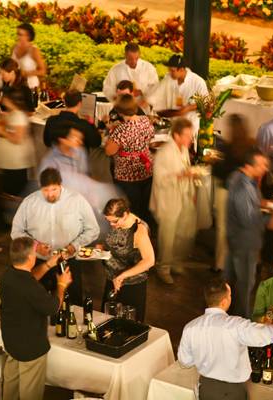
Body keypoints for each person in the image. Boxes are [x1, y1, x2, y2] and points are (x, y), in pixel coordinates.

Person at [178, 278, 273, 400]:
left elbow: (185, 361)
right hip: (233, 392)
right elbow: (271, 333)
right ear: (224, 302)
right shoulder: (236, 325)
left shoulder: (190, 327)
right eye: (230, 295)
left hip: (206, 388)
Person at [11, 168, 100, 305]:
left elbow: (93, 229)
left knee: (72, 303)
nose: (50, 194)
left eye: (54, 189)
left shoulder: (77, 200)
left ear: (60, 185)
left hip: (68, 261)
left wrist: (75, 245)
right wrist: (36, 246)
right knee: (38, 302)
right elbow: (16, 232)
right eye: (46, 190)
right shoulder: (29, 202)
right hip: (39, 262)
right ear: (40, 186)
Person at [0, 237, 72, 400]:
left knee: (10, 387)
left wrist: (48, 265)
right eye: (35, 252)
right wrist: (61, 285)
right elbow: (53, 307)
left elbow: (29, 276)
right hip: (31, 347)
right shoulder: (30, 287)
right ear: (30, 257)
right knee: (30, 393)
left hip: (11, 342)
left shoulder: (8, 275)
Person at [150, 117, 198, 284]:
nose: (190, 139)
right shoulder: (165, 152)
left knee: (181, 233)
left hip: (182, 197)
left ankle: (175, 262)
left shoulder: (183, 149)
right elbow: (160, 179)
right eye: (187, 135)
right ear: (176, 135)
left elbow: (186, 170)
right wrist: (181, 176)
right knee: (167, 236)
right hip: (167, 200)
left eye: (191, 135)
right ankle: (163, 267)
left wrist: (191, 191)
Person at [225, 148, 270, 318]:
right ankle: (242, 319)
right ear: (249, 166)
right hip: (244, 241)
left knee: (233, 279)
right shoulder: (244, 187)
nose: (265, 168)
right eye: (261, 165)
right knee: (245, 284)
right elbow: (248, 220)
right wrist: (271, 219)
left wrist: (260, 203)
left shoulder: (238, 177)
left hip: (236, 238)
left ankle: (229, 314)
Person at [211, 114, 256, 272]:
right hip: (243, 194)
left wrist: (215, 163)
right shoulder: (251, 147)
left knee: (223, 229)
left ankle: (220, 264)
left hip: (226, 192)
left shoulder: (227, 148)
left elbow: (218, 172)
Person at [102, 198, 155, 322]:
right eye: (108, 221)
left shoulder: (139, 230)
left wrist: (122, 276)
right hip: (112, 279)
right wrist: (102, 248)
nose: (111, 225)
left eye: (114, 221)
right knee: (108, 321)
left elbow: (149, 261)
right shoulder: (118, 222)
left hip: (131, 286)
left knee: (128, 324)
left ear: (125, 214)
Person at [105, 94, 154, 225]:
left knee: (133, 207)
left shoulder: (121, 130)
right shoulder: (145, 120)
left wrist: (111, 132)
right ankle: (147, 228)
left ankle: (134, 229)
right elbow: (150, 137)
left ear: (120, 112)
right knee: (145, 204)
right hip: (146, 168)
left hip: (127, 174)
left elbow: (109, 151)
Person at [0, 87, 35, 197]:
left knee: (13, 193)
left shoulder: (19, 116)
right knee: (8, 191)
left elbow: (17, 138)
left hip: (16, 164)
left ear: (10, 100)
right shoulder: (13, 113)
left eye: (4, 97)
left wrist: (0, 130)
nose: (2, 99)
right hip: (10, 163)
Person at [151, 55, 209, 141]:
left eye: (172, 71)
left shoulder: (198, 82)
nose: (170, 73)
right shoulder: (168, 77)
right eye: (169, 70)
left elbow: (206, 103)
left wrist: (188, 108)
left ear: (181, 69)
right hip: (173, 123)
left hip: (190, 124)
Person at [102, 43, 158, 109]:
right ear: (125, 55)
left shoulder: (149, 68)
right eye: (130, 59)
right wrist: (117, 97)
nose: (134, 62)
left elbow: (155, 88)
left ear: (139, 54)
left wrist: (142, 92)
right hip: (122, 109)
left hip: (144, 108)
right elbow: (107, 88)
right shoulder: (116, 69)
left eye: (136, 58)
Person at [11, 23, 46, 90]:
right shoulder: (14, 48)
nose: (18, 37)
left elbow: (42, 71)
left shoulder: (34, 50)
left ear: (28, 36)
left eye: (20, 35)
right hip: (15, 85)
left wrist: (25, 73)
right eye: (17, 34)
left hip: (31, 86)